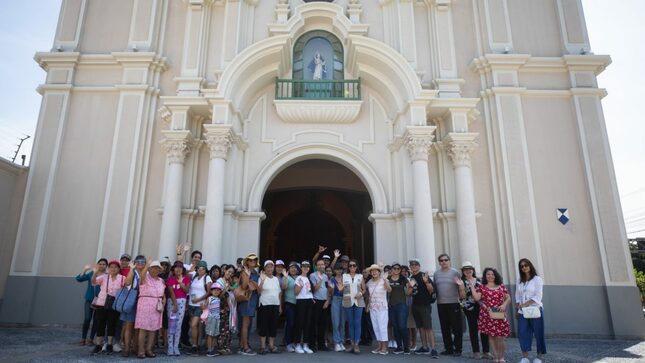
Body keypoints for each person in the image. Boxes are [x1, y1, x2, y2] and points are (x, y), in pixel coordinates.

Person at [472, 267, 511, 363]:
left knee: (500, 336)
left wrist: (504, 305)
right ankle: (495, 356)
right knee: (491, 336)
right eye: (488, 274)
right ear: (485, 276)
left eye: (492, 274)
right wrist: (472, 286)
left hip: (499, 313)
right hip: (487, 314)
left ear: (495, 275)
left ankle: (501, 357)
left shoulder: (501, 286)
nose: (490, 276)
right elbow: (477, 298)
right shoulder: (482, 287)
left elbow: (508, 298)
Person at [90, 260, 125, 355]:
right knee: (100, 324)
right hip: (101, 303)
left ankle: (109, 344)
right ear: (109, 268)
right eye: (111, 267)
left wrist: (131, 270)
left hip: (114, 305)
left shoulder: (122, 278)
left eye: (115, 267)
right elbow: (93, 282)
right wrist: (95, 273)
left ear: (118, 269)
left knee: (112, 324)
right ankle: (98, 345)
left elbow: (128, 284)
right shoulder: (104, 277)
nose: (113, 269)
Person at [434, 254, 464, 356]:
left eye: (446, 260)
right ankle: (448, 349)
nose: (444, 262)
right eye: (441, 260)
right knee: (445, 328)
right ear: (439, 262)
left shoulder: (455, 272)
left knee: (456, 328)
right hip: (441, 303)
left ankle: (458, 349)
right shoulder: (436, 274)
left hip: (453, 303)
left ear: (449, 261)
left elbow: (461, 287)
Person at [516, 258, 546, 363]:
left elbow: (538, 296)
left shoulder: (537, 279)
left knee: (538, 333)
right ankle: (525, 357)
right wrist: (518, 307)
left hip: (535, 310)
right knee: (522, 333)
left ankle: (539, 357)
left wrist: (525, 304)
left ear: (530, 266)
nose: (524, 267)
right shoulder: (519, 280)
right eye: (522, 266)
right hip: (522, 312)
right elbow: (517, 295)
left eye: (526, 265)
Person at [460, 261, 491, 360]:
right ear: (463, 271)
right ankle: (476, 351)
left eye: (469, 269)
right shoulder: (461, 282)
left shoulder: (479, 280)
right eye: (465, 269)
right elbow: (462, 296)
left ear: (473, 270)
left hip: (481, 307)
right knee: (473, 329)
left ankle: (486, 351)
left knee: (484, 329)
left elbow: (485, 294)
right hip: (469, 308)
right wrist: (461, 287)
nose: (468, 271)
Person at [135, 260, 166, 358]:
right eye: (153, 267)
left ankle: (148, 349)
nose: (155, 269)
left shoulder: (161, 280)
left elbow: (163, 292)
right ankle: (141, 350)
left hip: (156, 305)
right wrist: (147, 264)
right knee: (143, 328)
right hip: (145, 303)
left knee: (153, 329)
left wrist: (163, 300)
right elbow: (142, 275)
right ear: (149, 269)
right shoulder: (145, 277)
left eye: (157, 268)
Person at [408, 258, 438, 358]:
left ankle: (433, 349)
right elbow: (408, 293)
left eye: (416, 265)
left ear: (419, 266)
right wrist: (410, 287)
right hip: (415, 305)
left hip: (424, 305)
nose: (414, 266)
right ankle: (425, 347)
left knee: (428, 327)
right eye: (412, 265)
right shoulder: (412, 277)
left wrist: (426, 282)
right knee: (420, 327)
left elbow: (431, 290)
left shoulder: (423, 276)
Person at [77, 259, 106, 346]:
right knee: (87, 319)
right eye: (100, 264)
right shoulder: (91, 274)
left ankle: (91, 339)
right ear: (97, 265)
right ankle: (83, 338)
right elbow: (79, 279)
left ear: (106, 266)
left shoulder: (107, 276)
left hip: (100, 301)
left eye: (104, 264)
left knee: (96, 320)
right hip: (89, 300)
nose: (102, 266)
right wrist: (85, 270)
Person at [122, 255, 146, 356]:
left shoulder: (146, 273)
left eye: (142, 261)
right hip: (131, 300)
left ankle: (135, 347)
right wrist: (131, 269)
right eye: (138, 261)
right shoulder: (133, 272)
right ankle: (127, 348)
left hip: (142, 301)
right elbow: (127, 282)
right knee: (129, 326)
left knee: (138, 327)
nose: (140, 263)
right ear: (135, 262)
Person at [365, 264, 391, 355]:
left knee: (382, 326)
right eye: (372, 271)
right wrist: (367, 305)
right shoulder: (369, 282)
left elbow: (389, 290)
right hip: (373, 307)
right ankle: (379, 346)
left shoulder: (384, 280)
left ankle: (384, 347)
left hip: (382, 307)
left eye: (376, 270)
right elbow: (368, 294)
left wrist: (385, 280)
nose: (374, 272)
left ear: (379, 272)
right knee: (376, 327)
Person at [187, 260, 212, 355]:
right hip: (191, 304)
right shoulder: (194, 277)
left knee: (194, 325)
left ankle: (195, 346)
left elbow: (208, 292)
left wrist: (198, 300)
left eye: (203, 268)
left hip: (199, 305)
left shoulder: (207, 278)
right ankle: (196, 345)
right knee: (194, 326)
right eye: (199, 268)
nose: (200, 270)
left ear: (205, 270)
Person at [166, 261, 190, 356]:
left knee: (178, 325)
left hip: (182, 301)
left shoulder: (186, 279)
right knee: (171, 324)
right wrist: (175, 304)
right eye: (176, 267)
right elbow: (171, 292)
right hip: (172, 302)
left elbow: (186, 291)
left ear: (182, 269)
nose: (178, 269)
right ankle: (170, 346)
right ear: (173, 269)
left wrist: (181, 283)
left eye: (180, 267)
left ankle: (176, 346)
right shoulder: (170, 279)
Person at [258, 260, 282, 354]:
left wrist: (280, 306)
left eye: (271, 267)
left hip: (275, 304)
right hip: (264, 304)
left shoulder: (276, 279)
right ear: (265, 268)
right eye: (268, 267)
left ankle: (271, 346)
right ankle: (263, 347)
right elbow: (259, 291)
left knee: (273, 326)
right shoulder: (262, 277)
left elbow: (279, 293)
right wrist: (262, 281)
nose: (270, 268)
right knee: (264, 325)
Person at [342, 259, 365, 354]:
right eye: (350, 265)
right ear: (348, 267)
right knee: (350, 323)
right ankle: (352, 344)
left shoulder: (360, 276)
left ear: (356, 267)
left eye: (354, 265)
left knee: (357, 323)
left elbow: (364, 290)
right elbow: (340, 289)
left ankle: (356, 344)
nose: (352, 267)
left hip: (358, 302)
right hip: (348, 301)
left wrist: (360, 293)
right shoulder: (344, 276)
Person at [387, 262, 410, 354]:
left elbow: (408, 292)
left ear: (400, 270)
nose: (396, 270)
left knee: (402, 326)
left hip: (402, 305)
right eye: (394, 268)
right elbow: (387, 290)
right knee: (395, 326)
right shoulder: (388, 279)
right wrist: (385, 281)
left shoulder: (404, 279)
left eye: (398, 269)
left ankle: (406, 347)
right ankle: (399, 346)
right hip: (391, 305)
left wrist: (410, 285)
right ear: (391, 269)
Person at [239, 253, 260, 355]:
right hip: (246, 300)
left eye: (254, 260)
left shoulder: (256, 273)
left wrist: (254, 285)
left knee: (249, 324)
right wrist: (247, 277)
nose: (252, 262)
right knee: (245, 324)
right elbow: (243, 286)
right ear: (247, 262)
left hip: (253, 300)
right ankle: (245, 347)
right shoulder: (244, 272)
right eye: (250, 260)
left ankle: (244, 344)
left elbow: (258, 288)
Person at [294, 260, 314, 354]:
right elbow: (296, 292)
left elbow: (309, 291)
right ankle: (297, 344)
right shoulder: (298, 278)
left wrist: (312, 298)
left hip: (309, 301)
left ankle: (306, 344)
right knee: (300, 323)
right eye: (304, 266)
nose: (306, 268)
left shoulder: (308, 278)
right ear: (301, 268)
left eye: (307, 266)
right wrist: (300, 286)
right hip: (301, 301)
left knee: (308, 323)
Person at [309, 259, 330, 351]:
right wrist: (320, 280)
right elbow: (314, 289)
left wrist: (327, 301)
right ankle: (312, 345)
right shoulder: (312, 275)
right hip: (316, 301)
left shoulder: (326, 276)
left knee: (323, 324)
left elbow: (328, 289)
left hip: (324, 302)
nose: (322, 266)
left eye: (323, 264)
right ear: (316, 266)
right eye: (319, 264)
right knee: (314, 324)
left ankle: (321, 345)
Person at [216, 265, 235, 355]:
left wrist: (231, 288)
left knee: (228, 327)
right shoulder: (219, 281)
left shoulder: (231, 282)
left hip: (229, 307)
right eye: (228, 271)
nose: (229, 273)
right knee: (222, 327)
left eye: (231, 272)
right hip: (221, 307)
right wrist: (225, 289)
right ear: (225, 270)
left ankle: (227, 346)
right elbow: (217, 295)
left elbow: (235, 289)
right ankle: (220, 347)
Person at [282, 261, 299, 352]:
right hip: (289, 303)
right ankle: (288, 343)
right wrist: (284, 277)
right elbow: (284, 287)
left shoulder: (299, 277)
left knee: (296, 324)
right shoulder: (287, 277)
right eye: (291, 267)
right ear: (289, 269)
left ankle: (294, 342)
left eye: (295, 267)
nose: (293, 269)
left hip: (298, 304)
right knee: (290, 323)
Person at [329, 263, 345, 352]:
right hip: (335, 300)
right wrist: (331, 288)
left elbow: (347, 291)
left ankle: (341, 341)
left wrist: (342, 289)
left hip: (344, 300)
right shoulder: (332, 279)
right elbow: (330, 293)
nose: (339, 271)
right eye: (337, 269)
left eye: (340, 269)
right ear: (334, 270)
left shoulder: (345, 278)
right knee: (336, 322)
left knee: (342, 322)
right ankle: (336, 343)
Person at [204, 283, 223, 357]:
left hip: (217, 318)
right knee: (210, 334)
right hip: (211, 318)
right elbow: (205, 306)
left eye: (218, 290)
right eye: (214, 290)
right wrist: (203, 306)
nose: (216, 291)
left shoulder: (218, 299)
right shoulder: (210, 298)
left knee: (215, 334)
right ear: (211, 291)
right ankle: (209, 350)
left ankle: (212, 348)